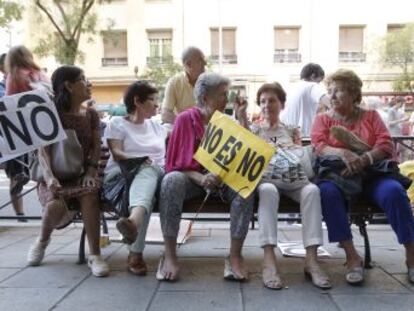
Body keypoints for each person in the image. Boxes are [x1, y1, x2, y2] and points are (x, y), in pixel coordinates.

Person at [311, 69, 414, 285]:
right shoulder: (323, 119)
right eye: (330, 91)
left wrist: (364, 159)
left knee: (394, 192)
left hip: (372, 174)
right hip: (340, 174)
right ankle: (352, 257)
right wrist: (343, 153)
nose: (332, 96)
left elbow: (385, 143)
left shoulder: (371, 116)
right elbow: (319, 146)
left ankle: (411, 256)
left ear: (353, 94)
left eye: (338, 91)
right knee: (327, 192)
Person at [158, 72, 254, 281]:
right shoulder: (185, 119)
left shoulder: (226, 121)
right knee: (170, 181)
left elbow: (248, 150)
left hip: (222, 181)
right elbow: (174, 165)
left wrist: (242, 115)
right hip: (193, 180)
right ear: (204, 98)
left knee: (245, 188)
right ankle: (170, 255)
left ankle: (235, 256)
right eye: (221, 95)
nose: (226, 99)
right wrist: (201, 178)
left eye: (226, 94)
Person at [236, 82, 331, 290]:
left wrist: (289, 148)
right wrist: (241, 116)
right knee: (268, 191)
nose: (266, 105)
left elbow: (298, 158)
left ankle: (312, 259)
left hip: (294, 180)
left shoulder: (291, 129)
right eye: (262, 101)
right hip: (268, 180)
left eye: (272, 101)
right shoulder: (254, 129)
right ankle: (269, 259)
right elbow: (244, 145)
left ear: (282, 104)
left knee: (312, 191)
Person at [27, 65, 110, 277]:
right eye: (83, 79)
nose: (88, 83)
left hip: (81, 175)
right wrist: (50, 178)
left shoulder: (91, 115)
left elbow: (95, 147)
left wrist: (91, 172)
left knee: (90, 195)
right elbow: (42, 151)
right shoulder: (50, 112)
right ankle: (43, 241)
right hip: (53, 177)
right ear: (69, 86)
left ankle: (95, 256)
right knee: (54, 204)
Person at [104, 81, 167, 276]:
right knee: (147, 178)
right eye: (152, 100)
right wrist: (141, 160)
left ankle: (133, 226)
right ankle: (134, 246)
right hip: (121, 176)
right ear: (137, 101)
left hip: (154, 176)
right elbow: (116, 153)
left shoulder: (158, 127)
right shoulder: (117, 123)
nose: (157, 105)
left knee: (149, 174)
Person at [4, 46, 49, 221]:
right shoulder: (40, 74)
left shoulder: (14, 75)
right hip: (44, 127)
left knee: (15, 163)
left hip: (21, 129)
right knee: (44, 168)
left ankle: (19, 177)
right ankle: (47, 206)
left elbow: (9, 104)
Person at [280, 63, 330, 137]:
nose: (319, 84)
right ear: (313, 76)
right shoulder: (312, 86)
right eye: (319, 81)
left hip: (286, 136)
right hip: (304, 138)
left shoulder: (291, 88)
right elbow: (331, 103)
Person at [161, 46, 206, 126]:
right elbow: (165, 115)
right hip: (184, 131)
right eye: (200, 60)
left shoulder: (210, 82)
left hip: (206, 130)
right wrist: (187, 125)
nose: (205, 63)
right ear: (188, 64)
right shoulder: (174, 83)